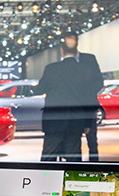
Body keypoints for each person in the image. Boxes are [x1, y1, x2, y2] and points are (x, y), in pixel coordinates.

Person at [36, 33, 102, 161]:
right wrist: (88, 122)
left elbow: (40, 89)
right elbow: (88, 97)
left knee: (48, 157)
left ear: (61, 51)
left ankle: (46, 179)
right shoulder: (85, 70)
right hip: (75, 121)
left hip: (54, 121)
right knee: (73, 157)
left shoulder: (51, 69)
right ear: (76, 49)